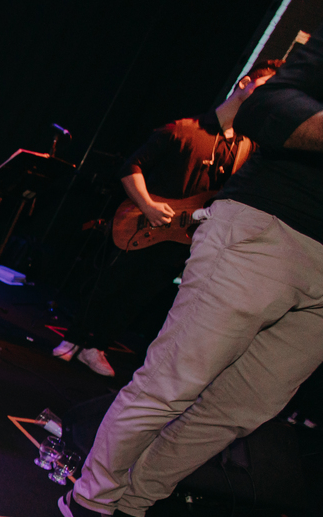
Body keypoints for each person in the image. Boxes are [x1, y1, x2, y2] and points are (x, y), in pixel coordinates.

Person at [59, 22, 323, 517]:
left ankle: (134, 500)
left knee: (243, 410)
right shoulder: (184, 130)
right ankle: (91, 496)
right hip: (269, 227)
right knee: (174, 381)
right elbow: (267, 106)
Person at [52, 61, 281, 377]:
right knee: (109, 285)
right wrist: (146, 204)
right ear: (244, 83)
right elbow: (132, 168)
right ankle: (74, 338)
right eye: (266, 86)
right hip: (144, 223)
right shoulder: (184, 129)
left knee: (139, 296)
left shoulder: (246, 148)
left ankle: (96, 346)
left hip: (184, 238)